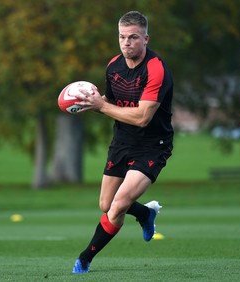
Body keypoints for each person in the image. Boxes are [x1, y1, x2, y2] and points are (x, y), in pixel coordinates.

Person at [71, 11, 174, 273]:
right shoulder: (113, 66)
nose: (126, 42)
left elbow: (141, 117)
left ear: (146, 39)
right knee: (106, 205)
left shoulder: (156, 69)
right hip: (122, 141)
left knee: (117, 206)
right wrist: (88, 101)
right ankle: (145, 214)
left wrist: (101, 108)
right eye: (122, 37)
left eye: (133, 37)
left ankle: (84, 259)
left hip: (152, 145)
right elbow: (111, 101)